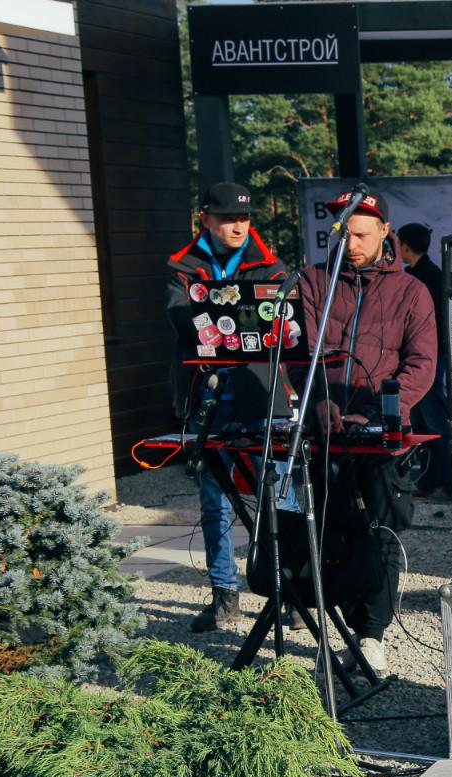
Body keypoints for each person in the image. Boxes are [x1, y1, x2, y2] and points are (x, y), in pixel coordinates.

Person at [293, 188, 439, 672]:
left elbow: (422, 364)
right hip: (325, 432)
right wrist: (320, 400)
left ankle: (372, 632)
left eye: (360, 234)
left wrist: (380, 411)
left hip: (382, 433)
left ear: (384, 232)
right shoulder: (313, 281)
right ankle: (336, 627)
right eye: (343, 233)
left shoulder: (411, 291)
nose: (350, 243)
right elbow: (299, 351)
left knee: (381, 529)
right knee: (329, 529)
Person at [165, 181, 289, 632]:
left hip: (262, 394)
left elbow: (279, 319)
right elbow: (180, 318)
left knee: (279, 497)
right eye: (227, 219)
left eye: (244, 218)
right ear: (205, 219)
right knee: (214, 502)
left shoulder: (270, 263)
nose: (238, 226)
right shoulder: (182, 265)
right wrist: (236, 317)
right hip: (208, 396)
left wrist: (215, 315)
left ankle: (288, 592)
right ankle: (224, 594)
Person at [395, 223, 452, 500]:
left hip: (429, 358)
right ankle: (430, 480)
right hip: (422, 356)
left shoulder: (425, 277)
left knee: (434, 421)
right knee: (420, 422)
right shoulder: (426, 275)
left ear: (405, 246)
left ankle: (447, 481)